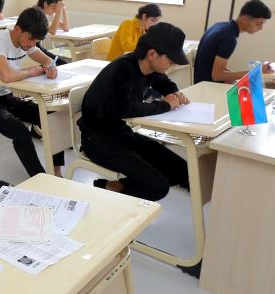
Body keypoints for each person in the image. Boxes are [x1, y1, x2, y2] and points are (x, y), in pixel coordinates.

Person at [78, 22, 191, 202]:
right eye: (170, 60)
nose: (172, 64)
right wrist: (165, 105)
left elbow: (164, 83)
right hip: (99, 140)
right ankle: (110, 199)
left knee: (181, 170)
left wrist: (174, 93)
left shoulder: (150, 67)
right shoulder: (122, 71)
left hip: (122, 134)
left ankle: (114, 187)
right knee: (158, 187)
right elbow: (128, 109)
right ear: (152, 54)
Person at [0, 7, 65, 177]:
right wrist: (31, 72)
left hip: (6, 98)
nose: (32, 45)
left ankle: (56, 171)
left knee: (50, 118)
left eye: (36, 41)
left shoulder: (26, 42)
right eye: (31, 39)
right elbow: (6, 76)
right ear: (17, 29)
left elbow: (45, 59)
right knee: (20, 132)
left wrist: (50, 66)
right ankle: (40, 178)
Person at [194, 0, 274, 84]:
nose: (261, 28)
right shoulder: (229, 38)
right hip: (207, 87)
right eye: (258, 24)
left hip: (200, 83)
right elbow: (217, 76)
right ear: (244, 19)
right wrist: (255, 72)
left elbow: (210, 64)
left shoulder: (220, 26)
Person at [35, 0, 70, 66]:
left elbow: (66, 28)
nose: (55, 10)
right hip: (33, 48)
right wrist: (58, 12)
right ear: (45, 4)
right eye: (53, 7)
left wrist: (63, 9)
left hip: (37, 47)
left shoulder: (48, 14)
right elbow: (52, 31)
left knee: (63, 63)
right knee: (59, 63)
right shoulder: (38, 14)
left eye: (56, 8)